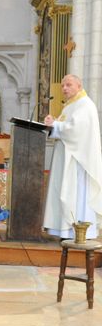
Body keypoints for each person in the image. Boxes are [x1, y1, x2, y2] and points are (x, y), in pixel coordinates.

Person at [43, 74, 102, 239]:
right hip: (68, 158)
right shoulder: (71, 105)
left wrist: (55, 124)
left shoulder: (85, 104)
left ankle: (80, 232)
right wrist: (53, 122)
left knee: (77, 195)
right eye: (62, 86)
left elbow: (76, 130)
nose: (64, 89)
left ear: (79, 86)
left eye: (68, 85)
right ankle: (64, 230)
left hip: (78, 162)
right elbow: (66, 126)